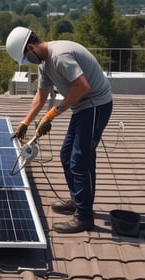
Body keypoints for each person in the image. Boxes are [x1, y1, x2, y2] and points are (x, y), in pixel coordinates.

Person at [6, 27, 113, 233]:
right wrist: (25, 123)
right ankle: (77, 200)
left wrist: (51, 115)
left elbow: (82, 87)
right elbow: (41, 96)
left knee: (81, 159)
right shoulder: (44, 64)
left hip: (96, 105)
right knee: (66, 155)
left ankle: (84, 217)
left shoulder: (60, 55)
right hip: (82, 108)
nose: (29, 62)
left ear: (30, 47)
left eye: (27, 58)